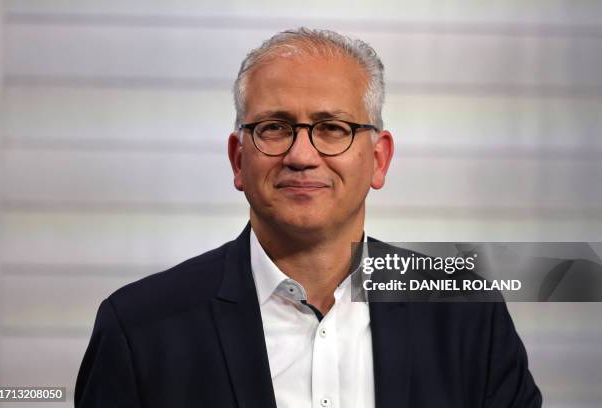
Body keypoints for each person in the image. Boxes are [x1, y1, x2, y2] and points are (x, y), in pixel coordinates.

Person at [74, 28, 542, 408]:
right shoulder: (139, 326)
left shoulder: (466, 313)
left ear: (379, 160)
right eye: (274, 128)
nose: (302, 155)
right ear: (239, 160)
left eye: (332, 128)